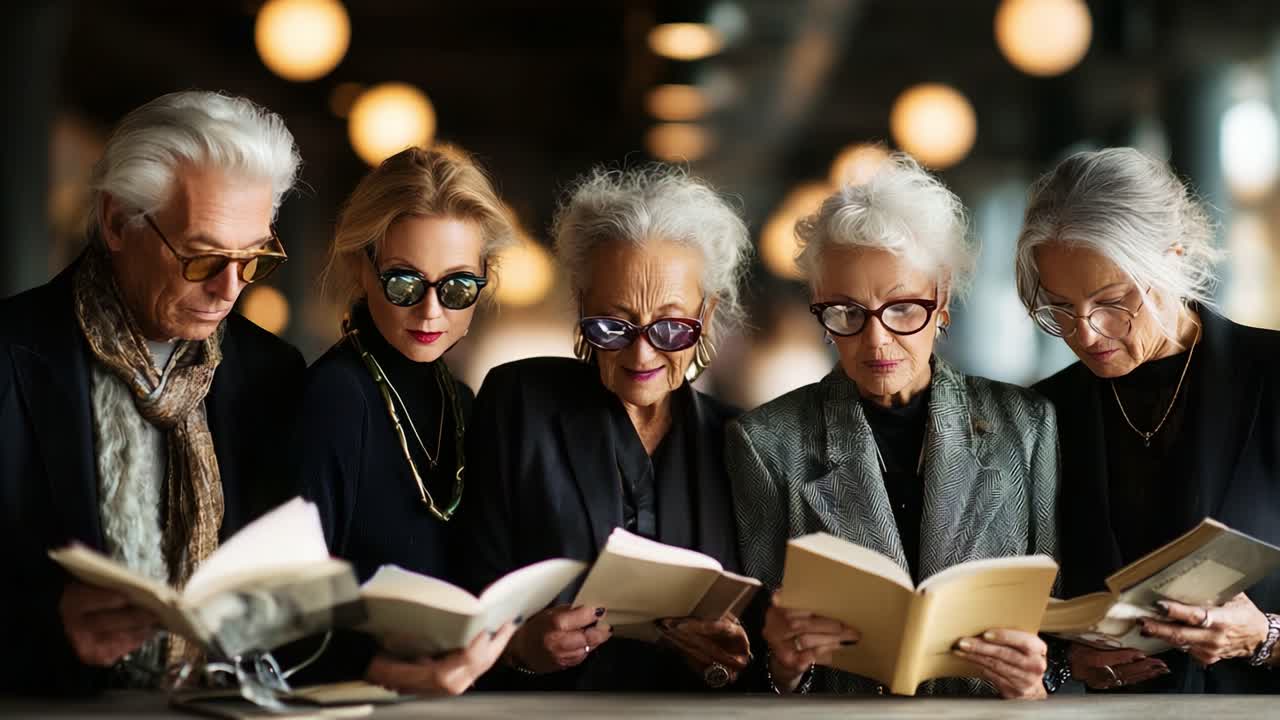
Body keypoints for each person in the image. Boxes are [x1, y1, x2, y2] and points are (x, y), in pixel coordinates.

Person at [0, 90, 305, 694]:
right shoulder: (10, 357)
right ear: (117, 221)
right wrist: (46, 625)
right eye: (201, 257)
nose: (229, 288)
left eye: (253, 258)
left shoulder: (276, 373)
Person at [729, 154, 1060, 698]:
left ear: (943, 297)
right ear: (818, 307)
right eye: (846, 312)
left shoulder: (1025, 427)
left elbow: (1058, 628)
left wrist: (1037, 681)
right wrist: (783, 666)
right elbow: (757, 657)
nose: (877, 339)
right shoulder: (767, 443)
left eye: (903, 308)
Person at [454, 164, 755, 691]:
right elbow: (467, 588)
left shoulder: (737, 440)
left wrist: (724, 661)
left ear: (706, 316)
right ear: (581, 309)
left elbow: (757, 640)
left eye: (670, 326)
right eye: (612, 326)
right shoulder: (521, 405)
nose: (642, 353)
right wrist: (523, 646)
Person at [1019, 147, 1280, 693]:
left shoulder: (1271, 378)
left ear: (1174, 259)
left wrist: (1265, 638)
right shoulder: (1042, 413)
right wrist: (1067, 658)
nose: (1085, 333)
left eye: (1111, 301)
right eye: (1060, 307)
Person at [291, 144, 517, 695]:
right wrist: (400, 675)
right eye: (404, 282)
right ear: (359, 267)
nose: (432, 311)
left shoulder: (461, 400)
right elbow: (285, 605)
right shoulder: (335, 398)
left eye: (459, 285)